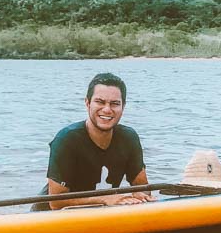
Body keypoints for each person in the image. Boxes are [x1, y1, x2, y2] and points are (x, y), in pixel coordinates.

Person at [38, 72, 151, 210]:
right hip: (49, 218)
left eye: (115, 104)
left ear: (123, 106)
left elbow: (142, 187)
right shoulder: (67, 139)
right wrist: (104, 199)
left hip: (101, 212)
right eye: (100, 102)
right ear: (87, 103)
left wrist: (140, 196)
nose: (107, 109)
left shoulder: (129, 137)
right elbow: (56, 203)